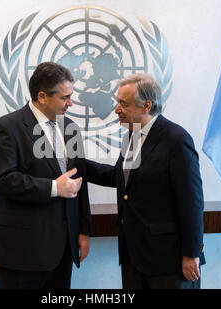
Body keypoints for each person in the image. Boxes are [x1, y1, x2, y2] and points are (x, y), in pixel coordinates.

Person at [87, 73, 205, 289]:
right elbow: (122, 179)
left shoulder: (176, 139)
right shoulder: (131, 136)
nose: (116, 109)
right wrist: (77, 164)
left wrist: (191, 253)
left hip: (170, 260)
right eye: (117, 102)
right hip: (133, 257)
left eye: (123, 103)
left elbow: (192, 202)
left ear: (146, 106)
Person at [0, 62, 92, 289]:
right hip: (22, 251)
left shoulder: (70, 128)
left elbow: (77, 182)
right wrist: (53, 188)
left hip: (63, 249)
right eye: (65, 98)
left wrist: (83, 231)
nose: (70, 103)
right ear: (42, 96)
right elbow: (3, 180)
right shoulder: (7, 127)